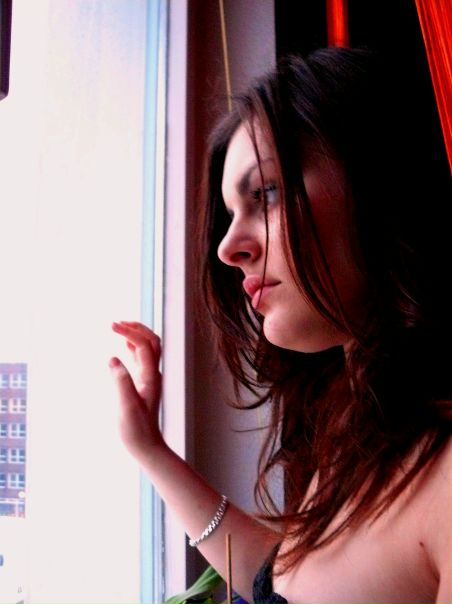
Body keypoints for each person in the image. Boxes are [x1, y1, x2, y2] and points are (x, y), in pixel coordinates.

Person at [109, 47, 452, 603]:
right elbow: (289, 586)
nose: (227, 248)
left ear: (378, 181)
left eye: (265, 194)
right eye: (231, 213)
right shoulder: (363, 432)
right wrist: (148, 447)